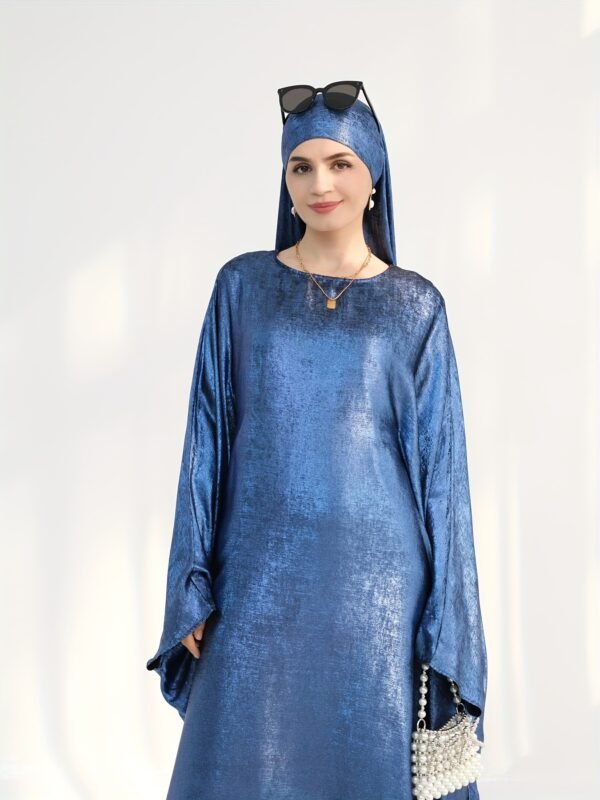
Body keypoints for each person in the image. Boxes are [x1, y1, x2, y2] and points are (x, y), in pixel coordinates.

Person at [146, 82, 488, 800]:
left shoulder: (415, 306)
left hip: (380, 590)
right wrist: (190, 580)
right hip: (256, 576)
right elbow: (207, 438)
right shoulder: (241, 288)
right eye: (300, 167)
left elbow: (443, 478)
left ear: (374, 176)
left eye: (339, 164)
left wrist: (445, 621)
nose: (320, 184)